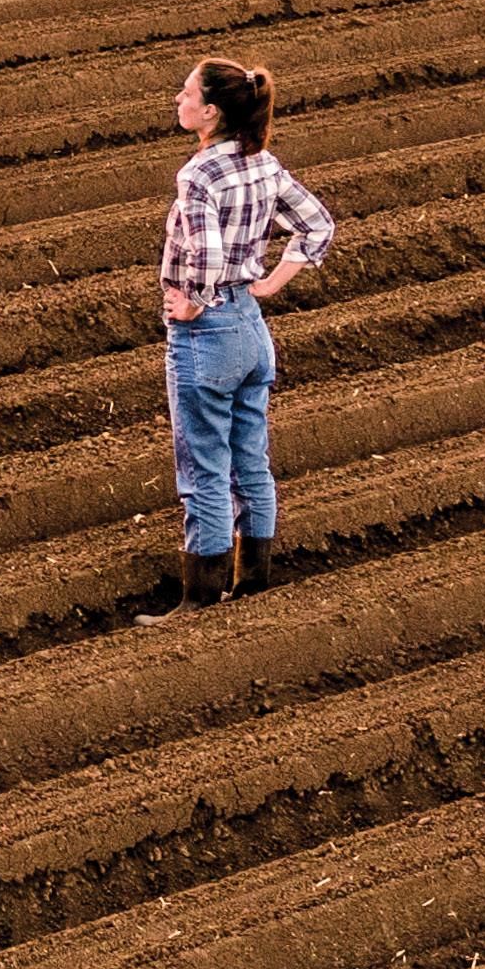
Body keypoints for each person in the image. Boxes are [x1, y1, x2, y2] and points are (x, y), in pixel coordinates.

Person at [141, 58, 335, 614]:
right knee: (251, 461)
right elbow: (317, 224)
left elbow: (207, 254)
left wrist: (192, 302)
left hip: (209, 337)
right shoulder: (263, 162)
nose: (177, 100)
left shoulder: (199, 175)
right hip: (251, 326)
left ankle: (200, 600)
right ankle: (253, 585)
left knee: (203, 468)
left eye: (185, 93)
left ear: (210, 112)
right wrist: (270, 282)